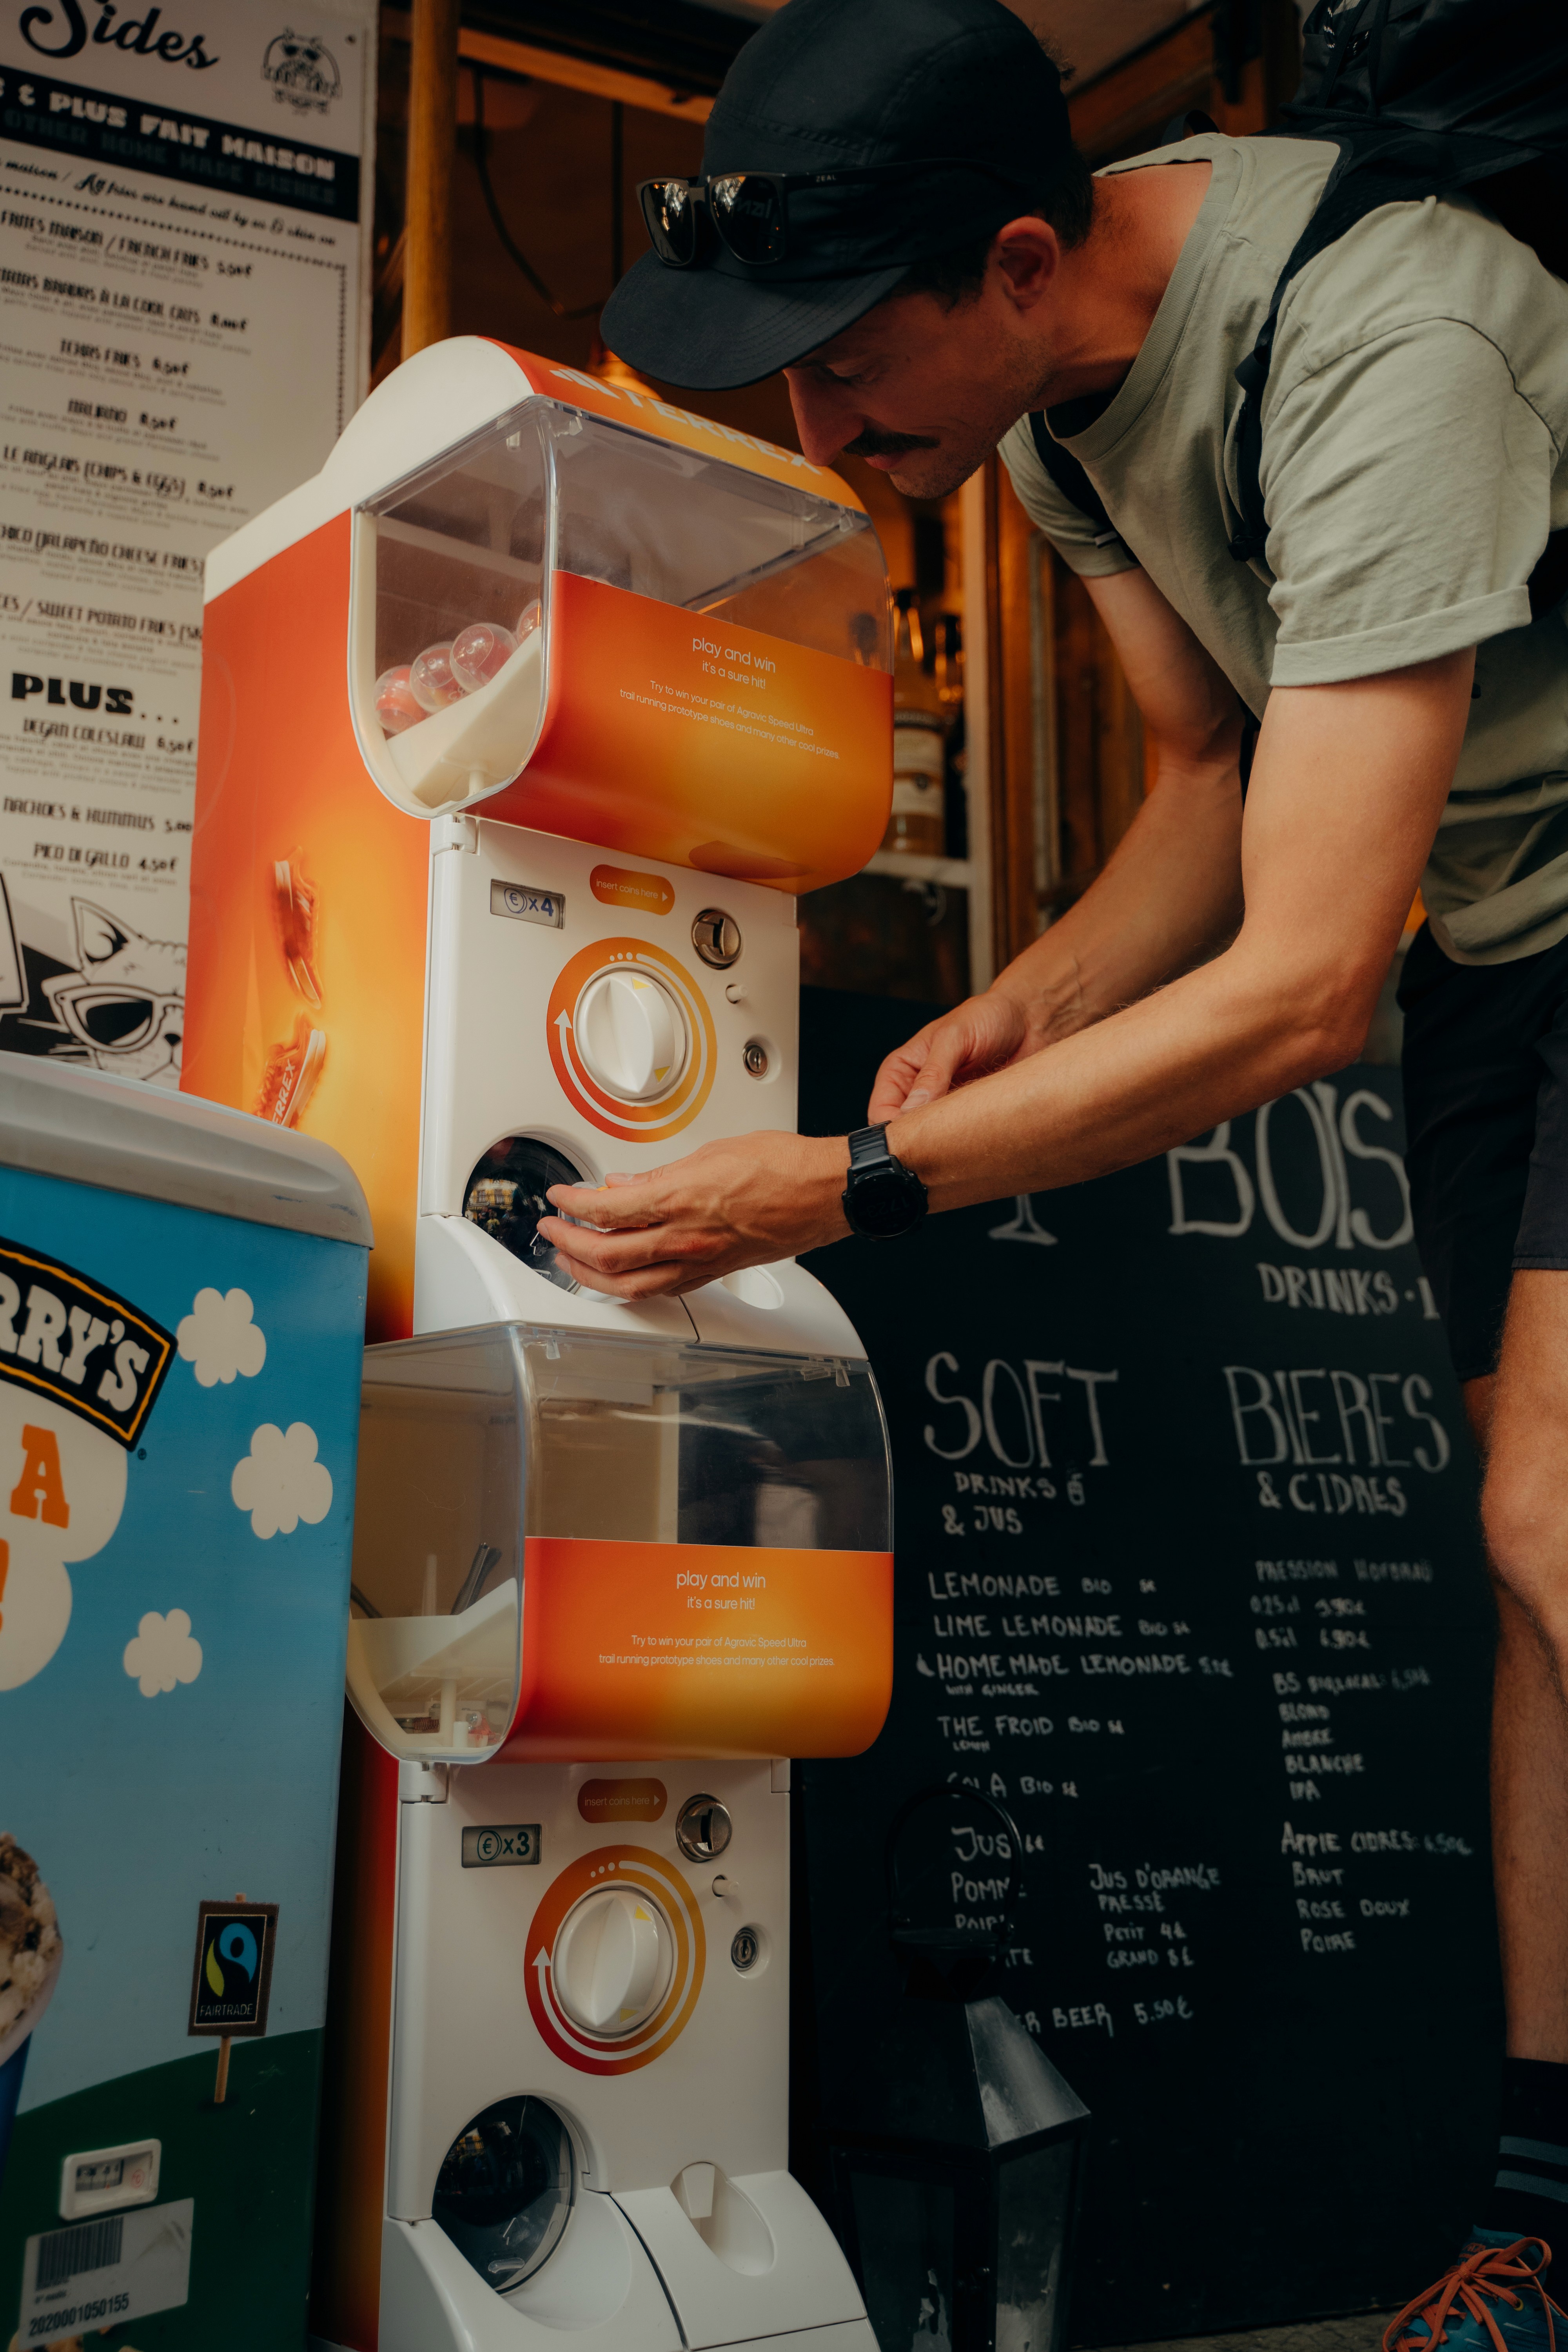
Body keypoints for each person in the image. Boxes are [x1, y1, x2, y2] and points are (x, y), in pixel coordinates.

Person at [537, 3, 1568, 2339]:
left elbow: (1303, 983)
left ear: (1017, 259)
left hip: (1506, 920)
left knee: (1550, 1525)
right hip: (1510, 950)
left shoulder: (1384, 342)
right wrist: (1041, 995)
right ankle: (1543, 2216)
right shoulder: (1048, 399)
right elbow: (1210, 775)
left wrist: (848, 1184)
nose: (819, 435)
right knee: (1532, 1565)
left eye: (843, 368)